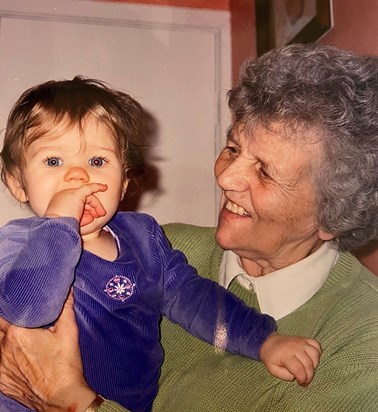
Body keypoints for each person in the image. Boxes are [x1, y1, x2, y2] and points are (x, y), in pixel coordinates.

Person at [0, 42, 377, 412]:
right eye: (232, 149)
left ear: (331, 213)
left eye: (263, 171)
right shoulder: (168, 239)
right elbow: (23, 309)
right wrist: (58, 226)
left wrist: (69, 398)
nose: (227, 176)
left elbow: (195, 299)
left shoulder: (361, 343)